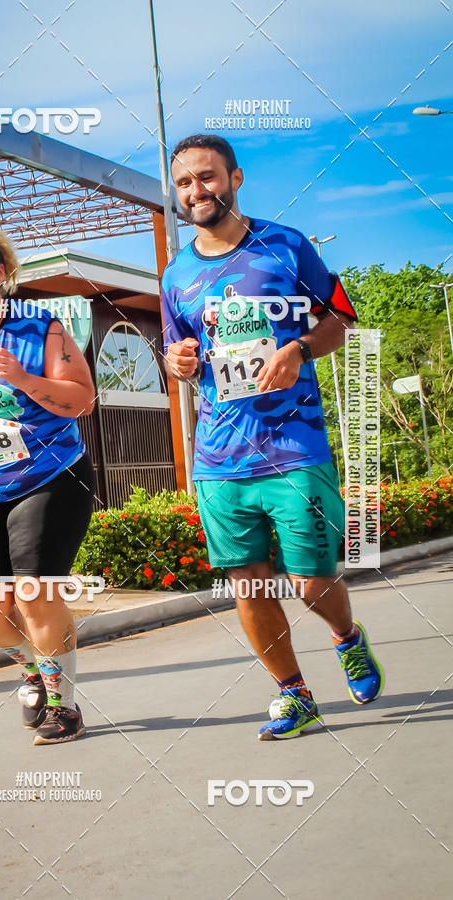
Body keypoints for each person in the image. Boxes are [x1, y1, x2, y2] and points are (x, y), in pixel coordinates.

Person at [162, 134, 384, 740]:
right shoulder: (176, 273)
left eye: (207, 177)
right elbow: (175, 351)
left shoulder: (286, 246)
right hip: (219, 454)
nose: (195, 192)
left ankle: (346, 637)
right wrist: (178, 361)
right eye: (184, 183)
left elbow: (340, 318)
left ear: (235, 178)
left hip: (293, 444)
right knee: (249, 581)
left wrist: (298, 348)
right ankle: (294, 693)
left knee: (312, 580)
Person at [0, 220, 95, 745]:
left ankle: (63, 707)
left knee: (33, 592)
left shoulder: (39, 326)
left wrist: (25, 380)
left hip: (49, 476)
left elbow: (82, 399)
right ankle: (33, 668)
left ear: (1, 272)